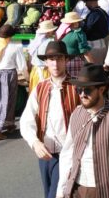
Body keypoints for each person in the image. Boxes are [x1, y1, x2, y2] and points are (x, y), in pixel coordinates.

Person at [57, 64, 109, 198]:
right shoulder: (76, 114)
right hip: (77, 189)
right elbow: (67, 155)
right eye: (79, 90)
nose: (82, 94)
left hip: (107, 191)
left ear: (101, 89)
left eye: (88, 90)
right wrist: (61, 191)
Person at [21, 41, 81, 198]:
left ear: (66, 60)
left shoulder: (77, 87)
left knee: (56, 194)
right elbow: (26, 119)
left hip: (69, 153)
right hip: (45, 153)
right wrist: (35, 142)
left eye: (59, 59)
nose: (55, 63)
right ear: (46, 62)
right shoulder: (40, 88)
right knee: (49, 192)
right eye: (51, 59)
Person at [0, 25, 28, 139]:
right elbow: (22, 66)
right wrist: (27, 78)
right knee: (8, 101)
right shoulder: (15, 47)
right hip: (9, 75)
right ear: (10, 36)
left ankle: (9, 125)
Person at [60, 11, 94, 76]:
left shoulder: (62, 33)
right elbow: (85, 52)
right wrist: (93, 65)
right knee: (76, 83)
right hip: (75, 62)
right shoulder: (79, 34)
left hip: (63, 62)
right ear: (76, 23)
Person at [29, 20, 59, 93]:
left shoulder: (35, 42)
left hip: (35, 71)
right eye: (52, 30)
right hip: (45, 72)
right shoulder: (49, 42)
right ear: (48, 32)